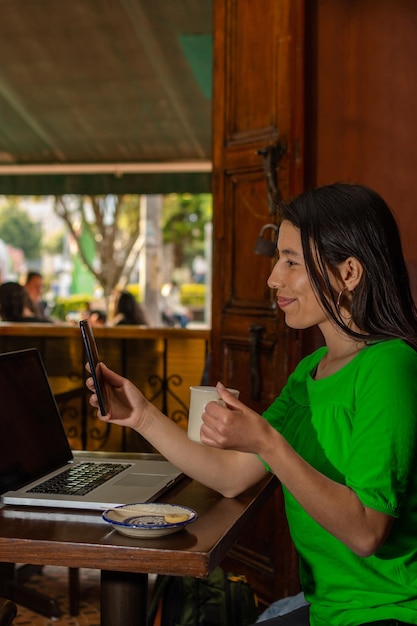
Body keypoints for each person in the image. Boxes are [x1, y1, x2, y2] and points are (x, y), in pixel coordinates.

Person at [85, 183, 417, 626]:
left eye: (292, 261)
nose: (273, 278)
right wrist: (141, 415)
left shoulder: (390, 366)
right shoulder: (313, 369)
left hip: (387, 613)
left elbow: (365, 532)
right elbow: (230, 476)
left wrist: (268, 442)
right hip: (330, 611)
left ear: (350, 272)